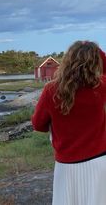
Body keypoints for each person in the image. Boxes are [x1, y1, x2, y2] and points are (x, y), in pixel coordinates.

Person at [31, 41, 106, 205]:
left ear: (67, 60)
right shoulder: (101, 87)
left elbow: (38, 125)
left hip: (66, 165)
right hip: (99, 162)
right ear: (96, 62)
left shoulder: (51, 90)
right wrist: (94, 50)